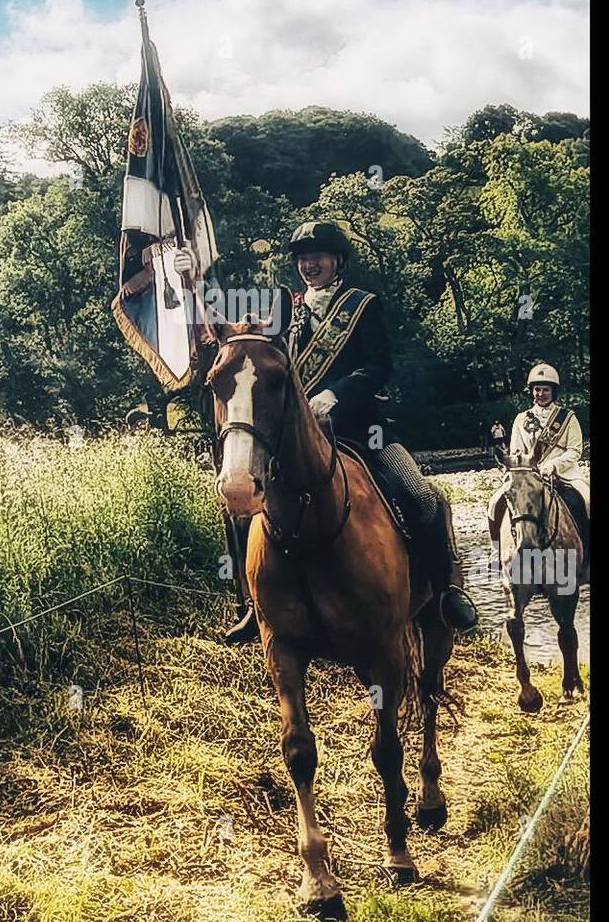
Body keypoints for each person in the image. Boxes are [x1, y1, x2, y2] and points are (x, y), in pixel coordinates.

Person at [175, 219, 478, 642]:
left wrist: (335, 395)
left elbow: (378, 366)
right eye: (302, 259)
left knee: (422, 497)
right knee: (243, 505)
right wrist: (194, 281)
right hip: (298, 441)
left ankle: (444, 593)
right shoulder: (284, 310)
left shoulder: (364, 305)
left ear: (337, 261)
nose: (309, 265)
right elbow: (229, 334)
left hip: (361, 432)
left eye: (317, 257)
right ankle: (252, 605)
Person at [488, 363, 590, 557]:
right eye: (537, 389)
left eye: (546, 390)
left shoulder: (568, 418)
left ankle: (587, 551)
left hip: (564, 474)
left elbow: (575, 450)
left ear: (553, 392)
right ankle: (496, 551)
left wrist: (553, 465)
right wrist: (522, 468)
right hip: (528, 475)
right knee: (495, 502)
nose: (541, 394)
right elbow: (516, 451)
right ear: (532, 392)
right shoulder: (520, 419)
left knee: (587, 500)